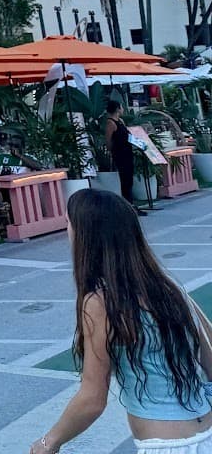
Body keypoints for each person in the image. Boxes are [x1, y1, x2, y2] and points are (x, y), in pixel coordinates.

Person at [29, 189, 212, 454]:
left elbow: (92, 399)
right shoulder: (169, 287)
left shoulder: (100, 302)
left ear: (85, 235)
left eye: (68, 223)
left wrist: (48, 442)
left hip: (168, 445)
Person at [105, 100, 144, 214]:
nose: (122, 109)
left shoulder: (120, 121)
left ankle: (130, 204)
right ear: (117, 109)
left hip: (127, 152)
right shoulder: (111, 123)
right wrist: (113, 151)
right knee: (125, 180)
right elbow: (108, 140)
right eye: (121, 107)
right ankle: (127, 205)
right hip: (120, 154)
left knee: (129, 179)